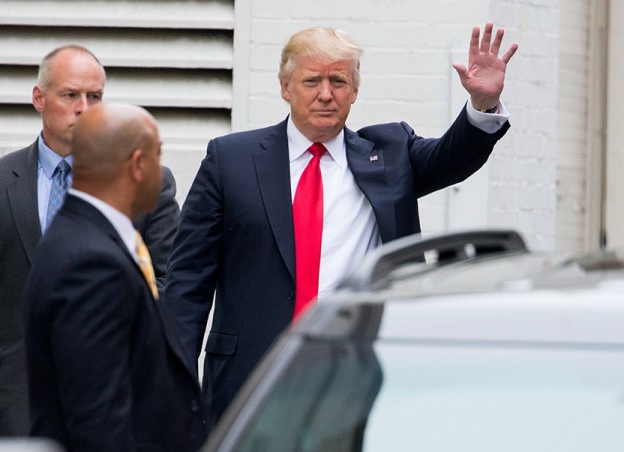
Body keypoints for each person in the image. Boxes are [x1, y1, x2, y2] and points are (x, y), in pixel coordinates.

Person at [165, 23, 518, 421]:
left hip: (356, 375)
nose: (326, 94)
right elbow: (188, 283)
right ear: (285, 87)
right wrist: (170, 391)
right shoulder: (230, 160)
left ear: (354, 90)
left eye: (339, 80)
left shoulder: (390, 154)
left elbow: (452, 158)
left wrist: (482, 106)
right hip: (251, 377)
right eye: (311, 80)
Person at [0, 45, 181, 443]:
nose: (84, 108)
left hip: (116, 393)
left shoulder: (145, 182)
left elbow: (166, 284)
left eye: (95, 97)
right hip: (8, 402)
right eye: (70, 95)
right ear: (39, 99)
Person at [23, 103, 209, 452]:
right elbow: (99, 420)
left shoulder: (81, 238)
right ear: (137, 165)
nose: (162, 168)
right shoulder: (91, 265)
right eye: (158, 155)